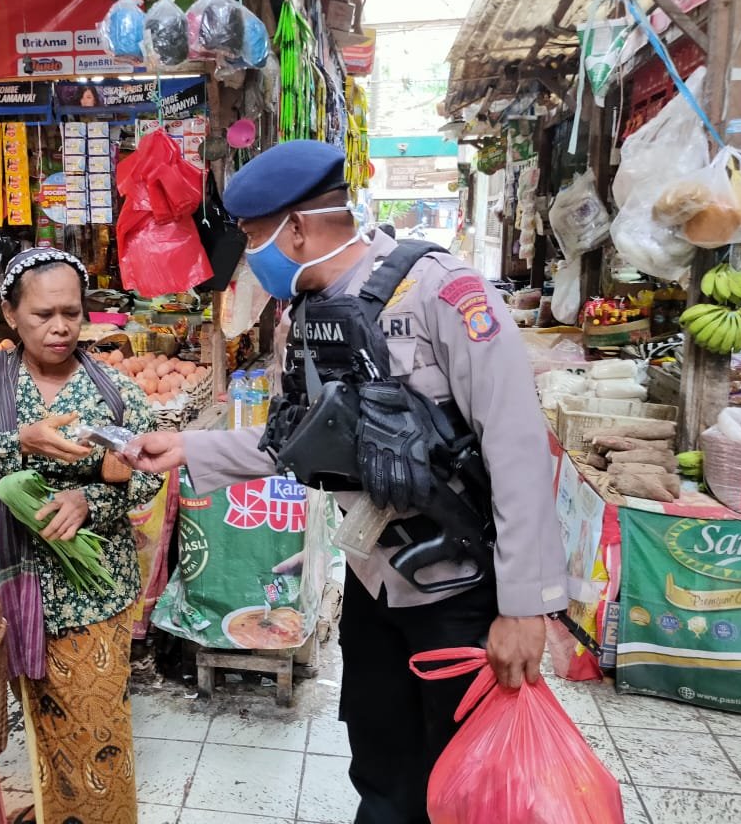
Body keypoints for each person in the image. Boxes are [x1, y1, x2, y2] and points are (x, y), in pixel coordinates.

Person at [126, 140, 568, 824]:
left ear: (297, 229)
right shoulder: (301, 319)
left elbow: (517, 446)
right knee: (381, 764)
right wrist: (187, 447)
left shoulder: (441, 292)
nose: (250, 257)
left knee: (465, 775)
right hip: (374, 579)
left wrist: (524, 607)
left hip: (462, 589)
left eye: (253, 238)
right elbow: (295, 442)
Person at [0, 248, 162, 824]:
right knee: (38, 728)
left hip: (90, 591)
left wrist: (91, 501)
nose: (60, 327)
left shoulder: (114, 391)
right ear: (11, 315)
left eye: (72, 313)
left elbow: (146, 478)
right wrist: (19, 443)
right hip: (3, 584)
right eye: (42, 314)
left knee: (95, 733)